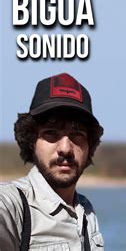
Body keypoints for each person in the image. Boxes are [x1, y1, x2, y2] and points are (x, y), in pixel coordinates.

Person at [0, 73, 104, 250]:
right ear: (32, 141)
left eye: (77, 135)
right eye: (51, 133)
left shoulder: (86, 211)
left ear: (89, 146)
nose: (65, 148)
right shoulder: (14, 206)